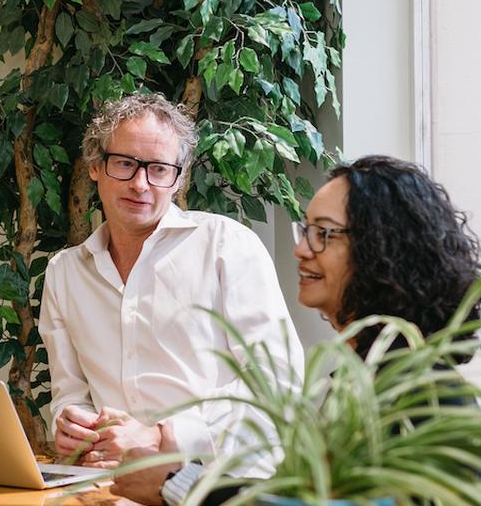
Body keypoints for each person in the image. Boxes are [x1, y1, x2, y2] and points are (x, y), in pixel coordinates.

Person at [112, 154, 481, 505]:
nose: (301, 250)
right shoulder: (360, 374)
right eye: (305, 231)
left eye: (323, 233)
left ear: (383, 249)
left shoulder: (425, 391)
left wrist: (179, 484)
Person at [41, 93, 304, 476]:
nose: (140, 184)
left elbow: (277, 382)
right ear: (96, 166)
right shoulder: (65, 272)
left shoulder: (225, 246)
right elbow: (70, 393)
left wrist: (162, 437)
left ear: (179, 176)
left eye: (160, 169)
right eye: (125, 164)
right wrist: (70, 423)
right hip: (111, 482)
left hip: (222, 482)